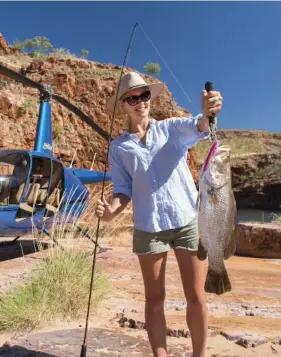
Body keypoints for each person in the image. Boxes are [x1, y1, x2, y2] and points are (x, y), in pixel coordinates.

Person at [95, 72, 223, 357]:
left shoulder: (171, 129)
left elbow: (201, 126)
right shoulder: (118, 148)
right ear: (123, 105)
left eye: (144, 96)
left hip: (186, 221)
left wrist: (208, 112)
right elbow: (122, 189)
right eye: (133, 98)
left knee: (197, 296)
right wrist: (111, 212)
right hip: (148, 226)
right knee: (154, 300)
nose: (140, 102)